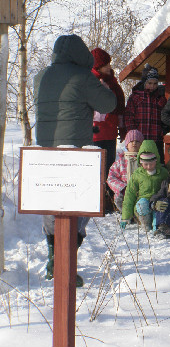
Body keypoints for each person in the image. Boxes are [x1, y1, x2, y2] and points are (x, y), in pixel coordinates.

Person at [34, 34, 117, 286]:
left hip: (46, 150)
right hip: (76, 150)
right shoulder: (83, 78)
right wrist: (104, 82)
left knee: (52, 204)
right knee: (81, 205)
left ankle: (52, 256)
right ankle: (65, 262)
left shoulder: (41, 76)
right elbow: (109, 104)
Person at [90, 47, 127, 211]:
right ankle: (96, 202)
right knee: (95, 168)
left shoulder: (112, 82)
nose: (109, 67)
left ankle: (108, 200)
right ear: (98, 66)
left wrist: (122, 126)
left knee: (109, 167)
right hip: (94, 133)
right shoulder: (91, 82)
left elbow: (119, 106)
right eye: (106, 65)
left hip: (109, 131)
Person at [121, 140, 169, 231]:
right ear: (140, 162)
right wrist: (125, 217)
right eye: (145, 164)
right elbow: (130, 194)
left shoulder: (163, 173)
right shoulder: (137, 174)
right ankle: (146, 223)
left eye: (151, 164)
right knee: (142, 204)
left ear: (156, 160)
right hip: (143, 203)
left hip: (157, 202)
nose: (148, 166)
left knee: (160, 208)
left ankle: (157, 225)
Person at [123, 64, 168, 162]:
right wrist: (133, 133)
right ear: (144, 82)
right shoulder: (135, 97)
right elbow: (129, 116)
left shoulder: (160, 98)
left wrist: (163, 130)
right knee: (140, 163)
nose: (152, 86)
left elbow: (165, 116)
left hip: (156, 138)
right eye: (150, 83)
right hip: (139, 139)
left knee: (157, 162)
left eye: (155, 83)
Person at [107, 129, 144, 212]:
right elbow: (111, 178)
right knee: (121, 199)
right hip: (124, 192)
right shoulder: (120, 162)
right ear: (127, 145)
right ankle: (126, 214)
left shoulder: (145, 160)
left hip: (141, 192)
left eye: (137, 142)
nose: (134, 143)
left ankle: (138, 214)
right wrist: (122, 188)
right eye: (131, 141)